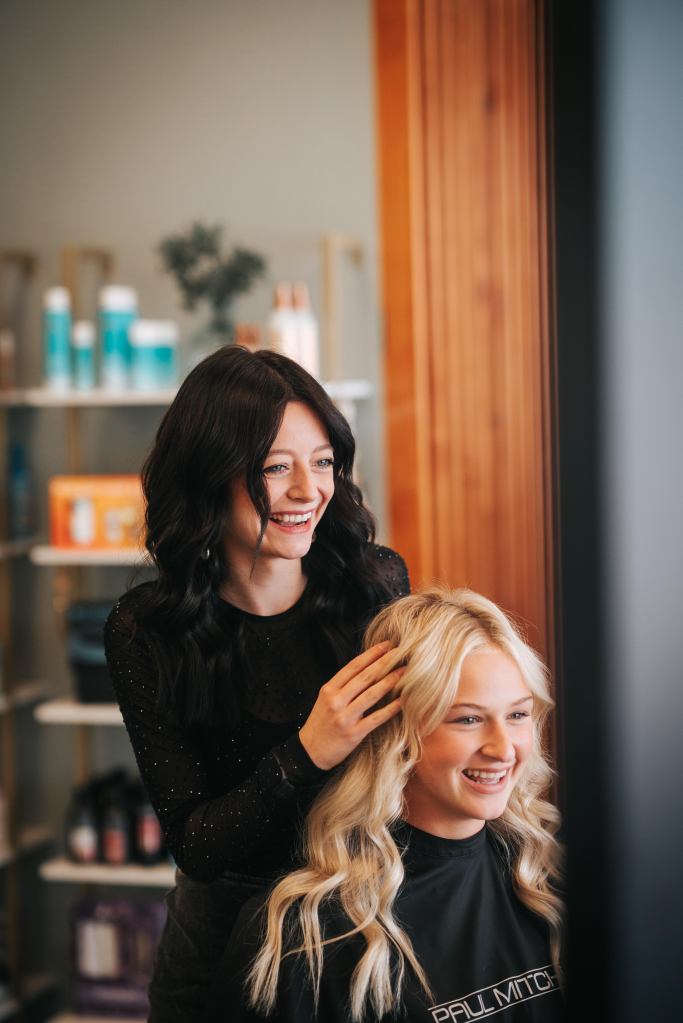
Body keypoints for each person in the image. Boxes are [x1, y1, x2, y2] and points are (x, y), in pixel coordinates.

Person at [103, 346, 409, 1022]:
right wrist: (308, 750)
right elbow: (198, 845)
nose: (309, 490)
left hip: (359, 913)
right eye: (276, 467)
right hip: (219, 942)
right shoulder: (145, 629)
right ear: (210, 477)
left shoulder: (374, 585)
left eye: (323, 461)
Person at [214, 588, 565, 1022]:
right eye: (468, 719)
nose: (503, 748)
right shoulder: (304, 936)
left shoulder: (550, 878)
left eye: (517, 715)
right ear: (396, 734)